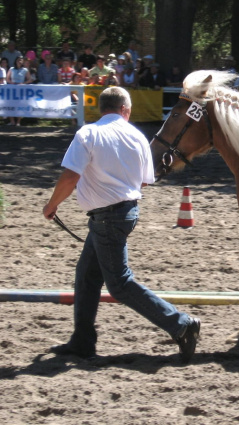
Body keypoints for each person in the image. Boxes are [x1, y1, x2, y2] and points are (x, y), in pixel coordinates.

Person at [42, 87, 201, 361]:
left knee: (119, 284)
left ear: (101, 108)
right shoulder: (137, 137)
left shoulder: (88, 133)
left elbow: (70, 176)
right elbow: (144, 180)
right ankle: (82, 340)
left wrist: (52, 204)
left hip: (106, 217)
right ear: (126, 111)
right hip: (125, 213)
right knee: (87, 275)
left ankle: (181, 324)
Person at [6, 56, 32, 126]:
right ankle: (12, 121)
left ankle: (18, 122)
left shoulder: (25, 70)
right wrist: (12, 83)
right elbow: (7, 79)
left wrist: (23, 83)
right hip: (12, 89)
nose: (19, 61)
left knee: (20, 105)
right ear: (15, 61)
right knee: (10, 104)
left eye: (21, 60)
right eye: (18, 60)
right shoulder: (11, 69)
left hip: (21, 89)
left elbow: (30, 79)